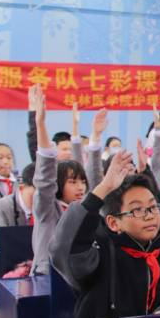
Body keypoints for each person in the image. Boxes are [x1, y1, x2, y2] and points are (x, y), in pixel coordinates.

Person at [49, 151, 160, 318]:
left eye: (153, 207)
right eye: (137, 210)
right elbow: (64, 248)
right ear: (113, 223)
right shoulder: (99, 251)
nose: (149, 216)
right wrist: (104, 188)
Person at [30, 85, 103, 275]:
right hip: (47, 278)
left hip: (81, 276)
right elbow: (44, 183)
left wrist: (95, 139)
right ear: (59, 184)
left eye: (82, 182)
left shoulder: (84, 209)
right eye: (72, 182)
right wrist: (40, 125)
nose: (80, 188)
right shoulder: (47, 210)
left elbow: (96, 182)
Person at [0, 163, 35, 247]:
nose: (43, 201)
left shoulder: (54, 205)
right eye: (37, 195)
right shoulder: (0, 206)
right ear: (22, 187)